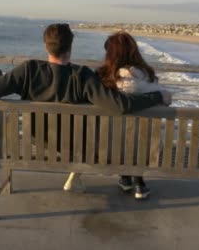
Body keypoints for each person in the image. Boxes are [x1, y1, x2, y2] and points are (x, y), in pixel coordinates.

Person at [0, 24, 172, 192]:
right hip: (74, 148)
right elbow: (121, 105)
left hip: (37, 144)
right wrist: (157, 96)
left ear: (46, 45)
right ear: (70, 47)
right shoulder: (83, 75)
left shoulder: (28, 69)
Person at [66, 31, 165, 200]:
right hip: (145, 147)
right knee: (138, 132)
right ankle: (138, 182)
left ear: (110, 54)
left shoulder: (102, 77)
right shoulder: (149, 78)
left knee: (114, 130)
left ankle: (125, 178)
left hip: (107, 148)